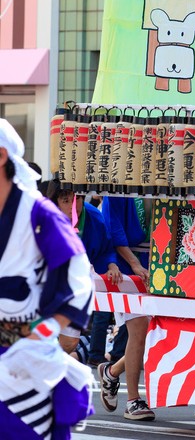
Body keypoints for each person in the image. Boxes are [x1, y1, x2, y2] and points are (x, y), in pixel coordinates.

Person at [0, 118, 93, 439]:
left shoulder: (40, 214)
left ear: (1, 156)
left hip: (24, 356)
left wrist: (44, 332)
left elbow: (78, 280)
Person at [97, 196, 159, 421]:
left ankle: (111, 372)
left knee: (157, 335)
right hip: (126, 266)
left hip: (159, 263)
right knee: (139, 329)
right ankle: (133, 400)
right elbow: (113, 228)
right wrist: (133, 263)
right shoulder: (120, 182)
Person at [45, 183, 115, 359]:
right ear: (56, 202)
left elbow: (105, 250)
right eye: (66, 200)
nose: (72, 206)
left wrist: (111, 265)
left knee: (69, 343)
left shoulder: (93, 217)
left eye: (76, 200)